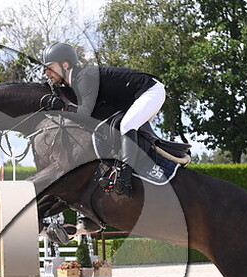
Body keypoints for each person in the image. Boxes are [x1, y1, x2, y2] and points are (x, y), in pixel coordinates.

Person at [42, 42, 166, 196]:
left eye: (50, 67)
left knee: (127, 125)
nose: (46, 72)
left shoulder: (84, 77)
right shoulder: (73, 82)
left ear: (65, 65)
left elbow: (84, 114)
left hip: (150, 91)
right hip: (133, 99)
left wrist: (63, 108)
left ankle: (124, 179)